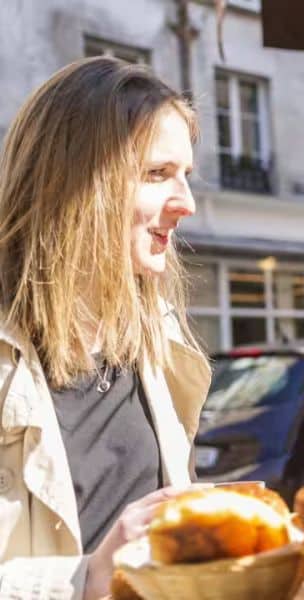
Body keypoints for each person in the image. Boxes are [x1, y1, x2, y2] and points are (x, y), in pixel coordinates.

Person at [0, 57, 210, 599]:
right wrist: (83, 579)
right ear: (75, 183)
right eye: (156, 174)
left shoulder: (157, 338)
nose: (186, 204)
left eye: (185, 175)